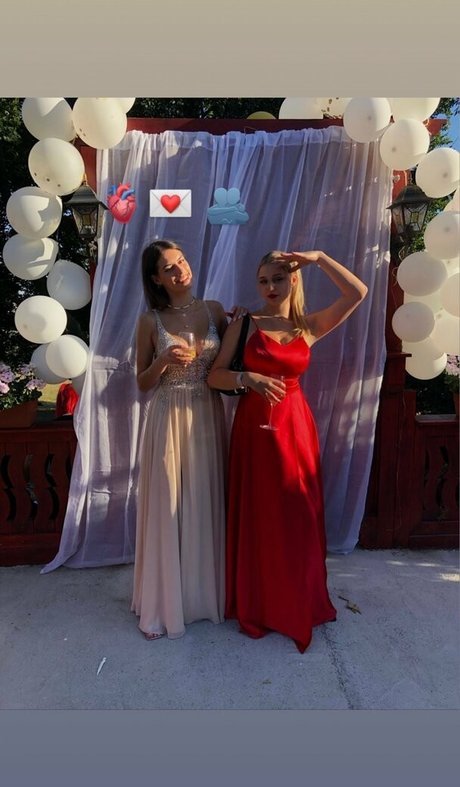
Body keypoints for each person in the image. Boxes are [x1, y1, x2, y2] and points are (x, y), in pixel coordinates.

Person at [207, 249, 368, 653]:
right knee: (260, 515)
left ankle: (296, 599)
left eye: (278, 278)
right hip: (253, 430)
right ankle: (261, 603)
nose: (270, 287)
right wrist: (248, 377)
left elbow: (357, 293)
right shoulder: (244, 323)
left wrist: (319, 258)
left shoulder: (307, 326)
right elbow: (215, 376)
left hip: (295, 428)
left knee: (297, 516)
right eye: (263, 280)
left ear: (293, 280)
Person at [131, 239, 241, 641]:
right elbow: (142, 383)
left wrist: (242, 325)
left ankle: (202, 599)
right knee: (170, 503)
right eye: (169, 268)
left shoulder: (214, 310)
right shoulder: (150, 321)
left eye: (182, 261)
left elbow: (230, 362)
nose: (181, 271)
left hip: (209, 416)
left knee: (205, 501)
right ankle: (164, 603)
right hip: (168, 417)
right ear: (156, 279)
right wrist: (163, 360)